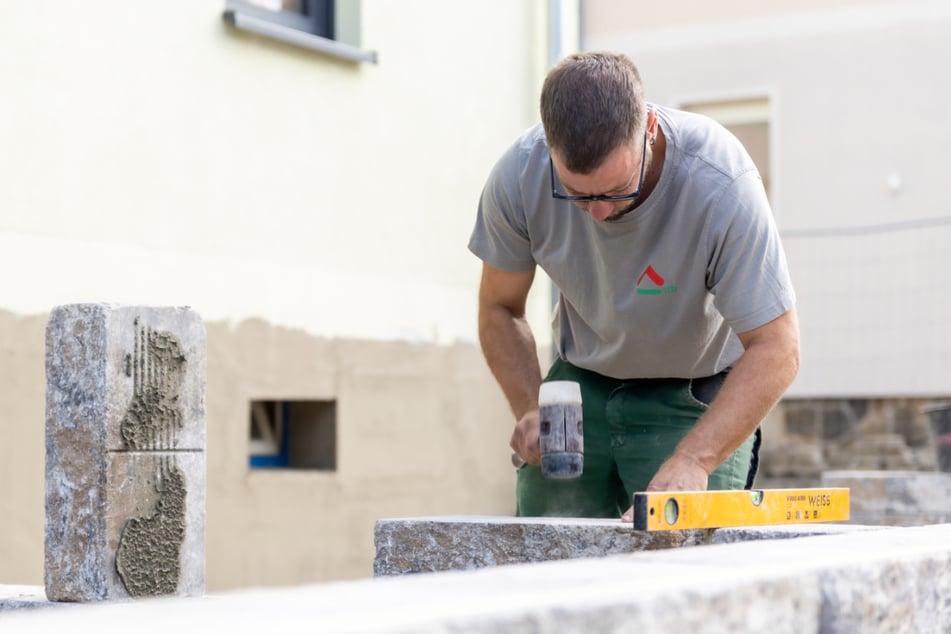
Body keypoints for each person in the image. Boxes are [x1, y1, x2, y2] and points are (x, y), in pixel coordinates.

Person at [468, 52, 800, 522]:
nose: (598, 213)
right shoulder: (520, 174)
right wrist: (527, 407)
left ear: (648, 127)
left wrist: (694, 461)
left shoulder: (720, 183)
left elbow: (777, 347)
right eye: (577, 194)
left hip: (694, 391)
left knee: (687, 568)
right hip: (579, 389)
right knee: (549, 560)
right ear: (549, 147)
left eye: (614, 190)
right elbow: (499, 308)